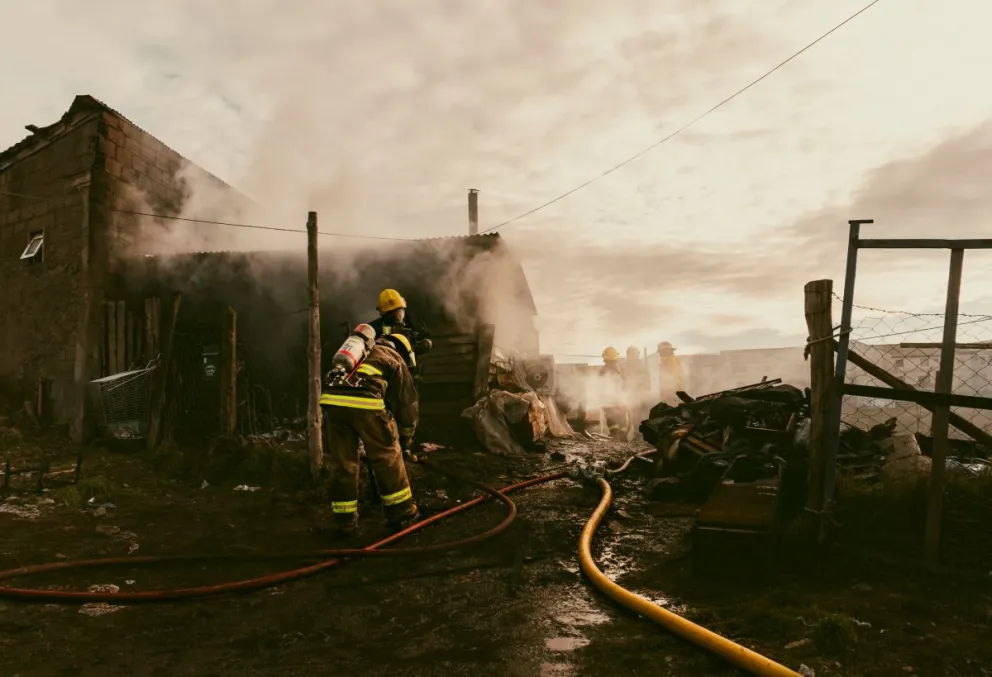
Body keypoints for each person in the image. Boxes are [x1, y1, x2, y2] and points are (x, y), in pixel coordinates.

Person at [320, 332, 420, 536]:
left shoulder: (361, 352)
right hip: (366, 403)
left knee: (343, 463)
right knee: (387, 456)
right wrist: (406, 437)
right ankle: (402, 513)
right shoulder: (394, 357)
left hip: (332, 403)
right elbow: (407, 402)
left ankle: (344, 522)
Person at [368, 289, 433, 357]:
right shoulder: (379, 325)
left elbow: (426, 337)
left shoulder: (413, 321)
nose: (396, 315)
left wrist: (426, 344)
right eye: (391, 313)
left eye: (398, 310)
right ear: (384, 314)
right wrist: (391, 331)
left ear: (403, 308)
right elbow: (371, 331)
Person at [599, 346, 630, 439]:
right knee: (618, 421)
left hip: (614, 401)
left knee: (617, 421)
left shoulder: (615, 370)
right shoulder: (618, 370)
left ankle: (618, 436)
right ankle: (620, 437)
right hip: (614, 400)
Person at [625, 346, 651, 438]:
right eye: (630, 355)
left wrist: (644, 393)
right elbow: (623, 381)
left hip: (640, 396)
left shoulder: (641, 366)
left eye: (633, 354)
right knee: (632, 418)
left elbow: (647, 381)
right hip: (631, 396)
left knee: (639, 418)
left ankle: (640, 437)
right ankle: (637, 436)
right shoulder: (626, 366)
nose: (632, 357)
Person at [657, 341, 685, 406]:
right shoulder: (665, 362)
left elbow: (673, 377)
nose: (660, 354)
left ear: (668, 351)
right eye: (660, 352)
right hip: (670, 394)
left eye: (661, 351)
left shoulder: (672, 361)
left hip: (672, 394)